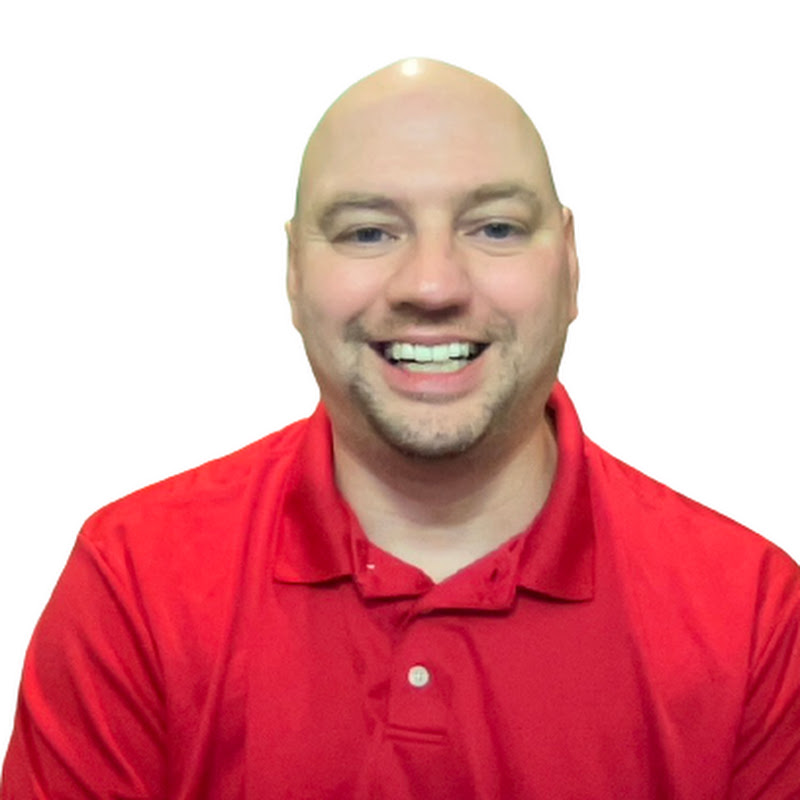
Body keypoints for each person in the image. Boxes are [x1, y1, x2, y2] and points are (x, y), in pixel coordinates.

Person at [2, 57, 799, 799]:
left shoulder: (753, 618)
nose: (431, 284)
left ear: (570, 263)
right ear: (293, 272)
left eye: (494, 228)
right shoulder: (136, 584)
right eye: (368, 232)